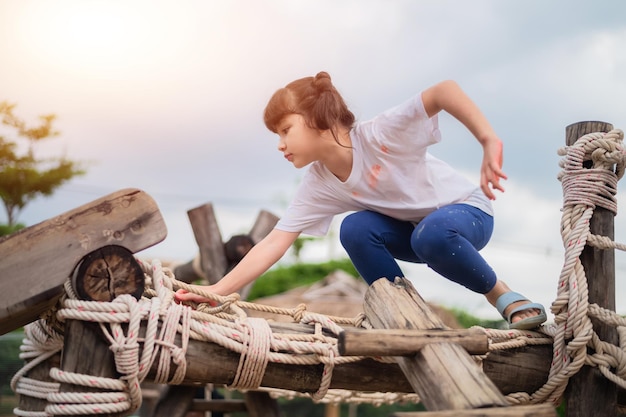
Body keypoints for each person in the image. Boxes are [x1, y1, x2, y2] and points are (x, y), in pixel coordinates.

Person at [176, 71, 547, 330]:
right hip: (417, 234)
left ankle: (502, 295)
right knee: (354, 228)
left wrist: (488, 140)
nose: (280, 144)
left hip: (468, 214)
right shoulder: (318, 183)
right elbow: (274, 241)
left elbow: (443, 91)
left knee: (430, 234)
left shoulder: (380, 134)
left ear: (316, 117)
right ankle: (408, 312)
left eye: (286, 130)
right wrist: (215, 291)